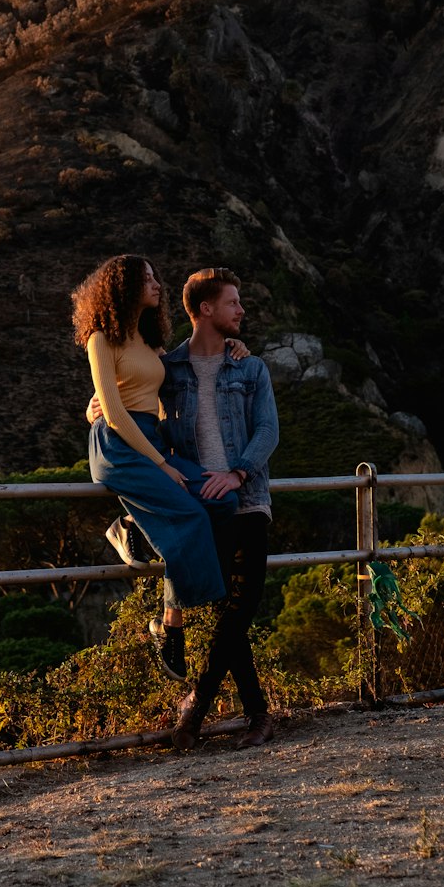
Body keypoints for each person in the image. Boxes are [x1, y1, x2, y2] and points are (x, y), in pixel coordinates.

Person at [71, 254, 238, 682]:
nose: (157, 284)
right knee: (190, 515)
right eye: (147, 279)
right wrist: (161, 464)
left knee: (222, 499)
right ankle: (170, 628)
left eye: (155, 276)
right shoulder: (100, 339)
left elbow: (186, 361)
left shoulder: (149, 341)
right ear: (122, 286)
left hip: (152, 439)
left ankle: (129, 523)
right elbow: (112, 411)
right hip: (119, 446)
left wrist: (235, 346)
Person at [159, 267, 279, 751]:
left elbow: (267, 430)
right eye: (233, 302)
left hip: (248, 502)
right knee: (226, 613)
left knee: (240, 608)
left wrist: (238, 472)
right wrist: (95, 407)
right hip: (201, 508)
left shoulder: (250, 367)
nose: (241, 310)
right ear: (205, 309)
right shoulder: (169, 369)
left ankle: (195, 713)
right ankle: (257, 717)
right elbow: (126, 399)